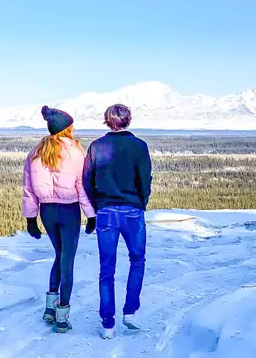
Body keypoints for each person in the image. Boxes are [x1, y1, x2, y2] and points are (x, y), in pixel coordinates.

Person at [22, 106, 96, 333]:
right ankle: (62, 315)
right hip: (69, 210)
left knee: (59, 255)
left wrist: (31, 219)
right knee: (68, 260)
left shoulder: (35, 153)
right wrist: (90, 214)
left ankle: (49, 308)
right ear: (67, 128)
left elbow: (28, 189)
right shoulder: (75, 152)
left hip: (47, 211)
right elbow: (81, 187)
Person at [83, 104, 152, 339]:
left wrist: (96, 206)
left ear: (107, 121)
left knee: (106, 269)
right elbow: (145, 178)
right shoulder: (139, 146)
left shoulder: (96, 146)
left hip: (106, 212)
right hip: (133, 211)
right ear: (128, 120)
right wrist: (141, 202)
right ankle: (130, 311)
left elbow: (86, 180)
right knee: (137, 260)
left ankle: (107, 324)